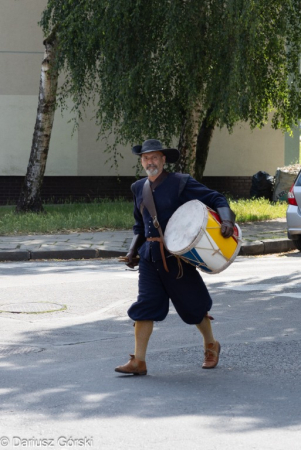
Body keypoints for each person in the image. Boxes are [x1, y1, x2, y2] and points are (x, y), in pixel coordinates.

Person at [115, 139, 235, 376]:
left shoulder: (181, 182)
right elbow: (139, 226)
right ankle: (139, 361)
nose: (150, 162)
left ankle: (211, 345)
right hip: (149, 258)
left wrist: (227, 220)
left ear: (163, 160)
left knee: (194, 306)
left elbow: (217, 198)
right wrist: (132, 251)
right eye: (146, 158)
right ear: (141, 161)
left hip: (177, 258)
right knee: (146, 306)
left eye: (155, 157)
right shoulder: (138, 188)